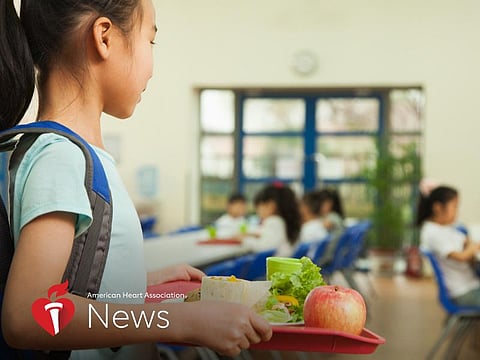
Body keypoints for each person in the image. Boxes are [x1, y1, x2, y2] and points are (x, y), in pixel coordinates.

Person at [0, 1, 271, 358]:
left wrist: (134, 287)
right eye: (150, 40)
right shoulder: (60, 157)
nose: (152, 65)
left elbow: (76, 290)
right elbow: (29, 317)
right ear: (104, 37)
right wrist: (178, 321)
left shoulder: (74, 154)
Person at [417, 185, 480, 306]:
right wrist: (473, 248)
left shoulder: (445, 227)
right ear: (438, 207)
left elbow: (465, 241)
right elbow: (461, 256)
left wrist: (470, 245)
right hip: (463, 292)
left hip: (470, 285)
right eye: (455, 207)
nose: (457, 212)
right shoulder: (432, 232)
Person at [244, 183, 301, 257]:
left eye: (259, 206)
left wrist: (243, 240)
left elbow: (264, 247)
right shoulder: (287, 221)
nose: (257, 211)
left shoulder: (274, 220)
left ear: (271, 205)